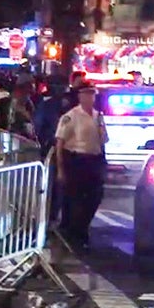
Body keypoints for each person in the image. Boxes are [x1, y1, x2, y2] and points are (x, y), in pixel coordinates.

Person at [55, 83, 108, 248]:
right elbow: (60, 143)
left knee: (95, 197)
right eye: (87, 94)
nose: (90, 97)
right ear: (80, 96)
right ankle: (75, 233)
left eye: (93, 94)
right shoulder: (71, 116)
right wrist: (60, 169)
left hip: (94, 160)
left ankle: (81, 228)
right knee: (76, 199)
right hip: (77, 160)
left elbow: (103, 140)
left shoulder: (98, 116)